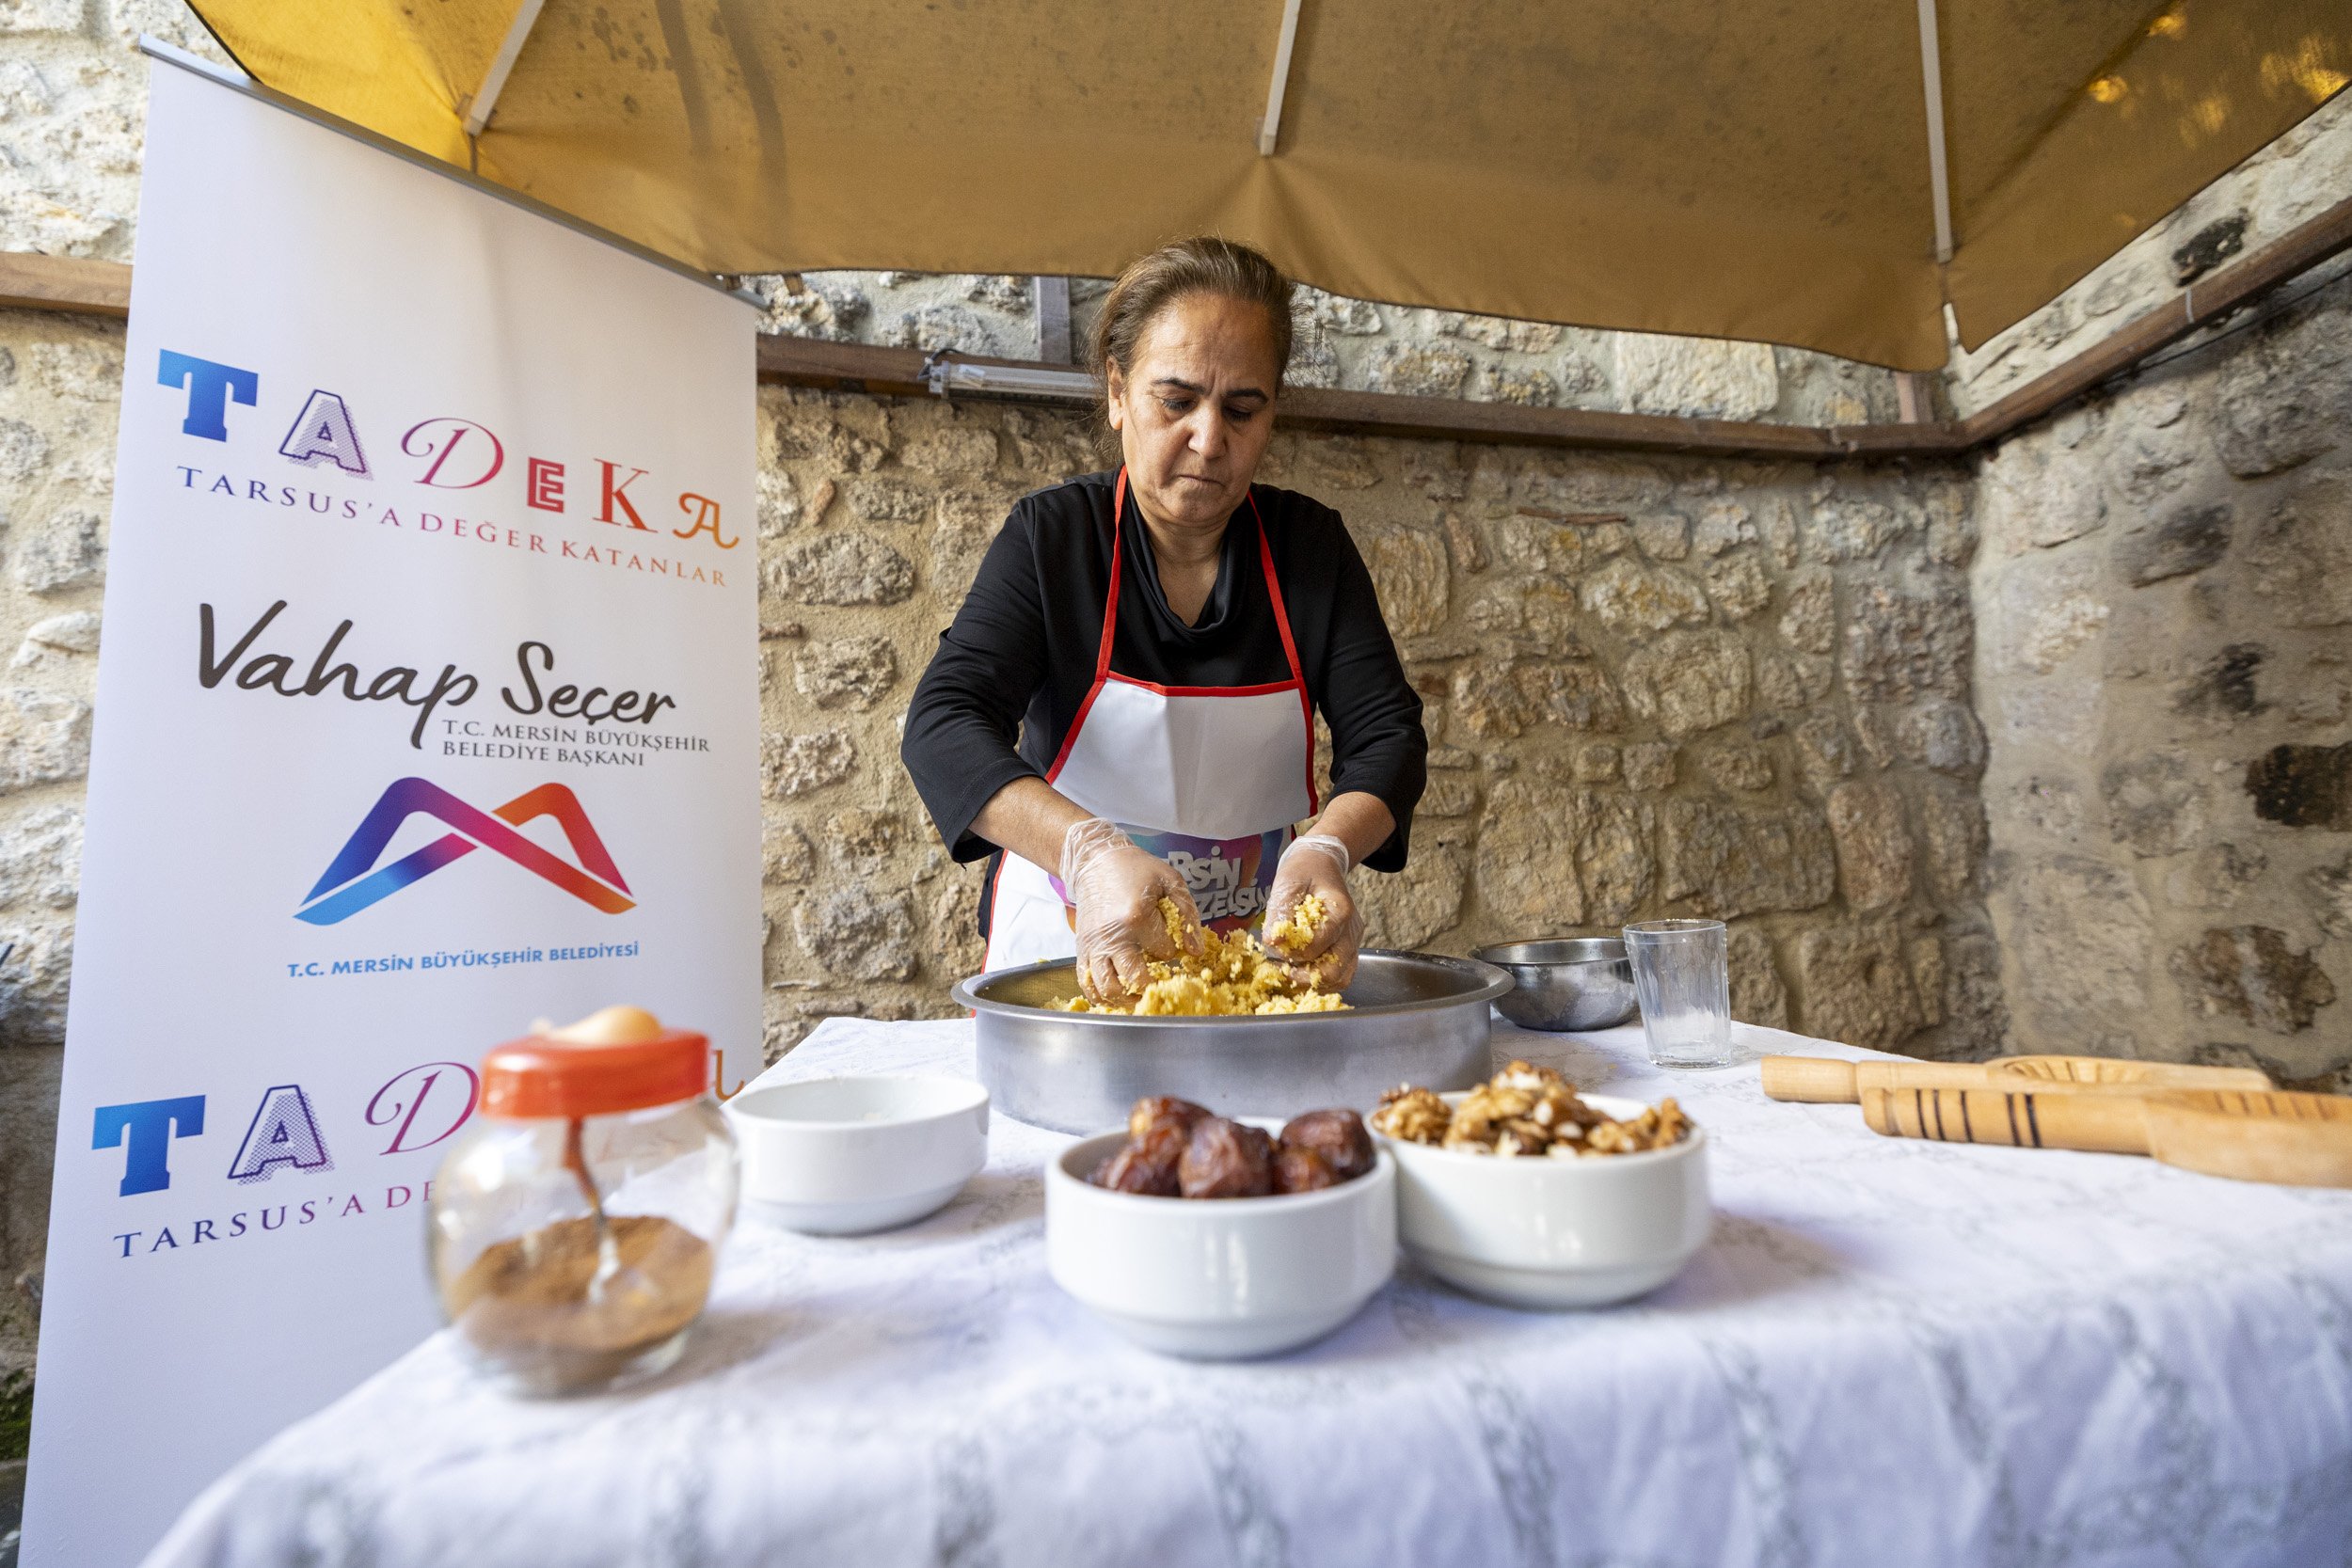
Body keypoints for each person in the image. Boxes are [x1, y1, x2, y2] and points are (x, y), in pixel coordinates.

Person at [901, 237, 1426, 1003]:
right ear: (1118, 392)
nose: (1209, 440)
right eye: (1176, 401)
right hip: (1070, 953)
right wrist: (1084, 850)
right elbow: (943, 724)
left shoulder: (1310, 551)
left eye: (1243, 409)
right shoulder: (1055, 541)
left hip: (1253, 963)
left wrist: (1329, 849)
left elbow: (1389, 739)